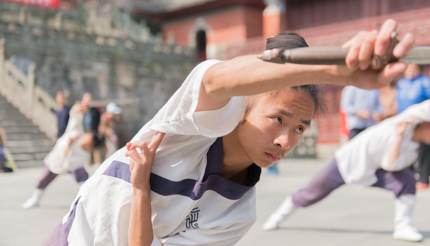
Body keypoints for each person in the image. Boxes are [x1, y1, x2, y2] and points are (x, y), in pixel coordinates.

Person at [45, 19, 414, 246]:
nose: (286, 140)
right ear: (241, 110)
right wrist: (332, 72)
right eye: (278, 119)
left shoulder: (236, 213)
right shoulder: (183, 133)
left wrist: (141, 188)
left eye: (300, 128)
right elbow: (216, 78)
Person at [262, 100, 430, 242]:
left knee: (406, 181)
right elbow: (422, 109)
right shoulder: (402, 122)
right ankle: (278, 216)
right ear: (422, 124)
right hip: (346, 162)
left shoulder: (413, 148)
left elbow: (390, 166)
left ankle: (403, 226)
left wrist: (399, 140)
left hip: (373, 171)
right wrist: (400, 134)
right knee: (311, 193)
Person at [22, 93, 93, 209]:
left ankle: (90, 198)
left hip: (72, 152)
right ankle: (35, 198)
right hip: (63, 150)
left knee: (82, 177)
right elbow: (80, 109)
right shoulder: (76, 109)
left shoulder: (83, 119)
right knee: (48, 174)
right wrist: (66, 148)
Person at [397, 64, 430, 190]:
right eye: (408, 68)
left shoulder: (425, 82)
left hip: (422, 121)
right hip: (405, 120)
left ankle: (423, 179)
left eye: (412, 68)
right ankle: (408, 177)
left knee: (424, 149)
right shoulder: (401, 83)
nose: (409, 71)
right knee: (405, 148)